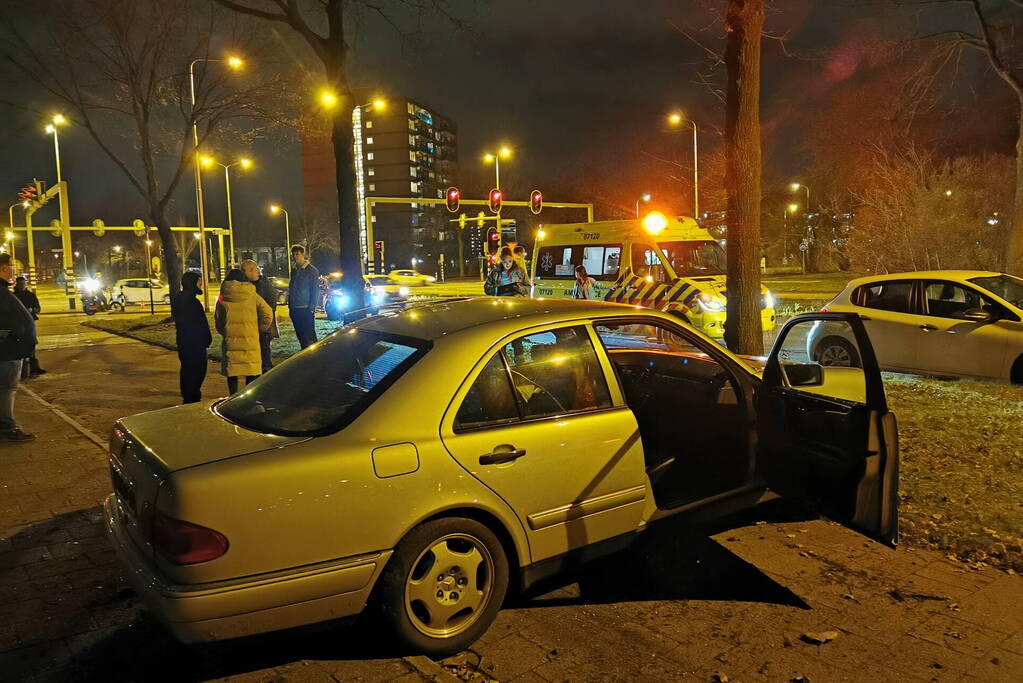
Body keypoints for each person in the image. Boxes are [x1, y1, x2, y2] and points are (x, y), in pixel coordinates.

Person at [216, 269, 272, 394]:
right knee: (251, 372)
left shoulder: (223, 296)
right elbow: (267, 313)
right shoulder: (252, 294)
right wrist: (260, 329)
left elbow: (218, 317)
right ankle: (247, 400)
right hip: (250, 341)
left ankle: (232, 397)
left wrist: (224, 331)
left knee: (232, 373)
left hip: (231, 341)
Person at [0, 254, 36, 441]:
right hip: (8, 350)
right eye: (11, 266)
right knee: (7, 388)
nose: (13, 270)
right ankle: (6, 427)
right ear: (4, 268)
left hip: (10, 348)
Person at [171, 272, 212, 404]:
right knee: (197, 370)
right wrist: (206, 338)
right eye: (198, 282)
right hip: (195, 343)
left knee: (187, 369)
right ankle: (192, 396)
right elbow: (200, 323)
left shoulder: (179, 299)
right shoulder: (192, 302)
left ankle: (188, 395)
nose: (200, 284)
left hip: (184, 341)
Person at [242, 259, 278, 374]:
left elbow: (270, 305)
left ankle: (266, 373)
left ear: (252, 270)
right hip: (254, 324)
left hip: (262, 325)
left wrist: (265, 322)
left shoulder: (262, 286)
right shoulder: (259, 284)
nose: (243, 274)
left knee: (264, 350)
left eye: (244, 271)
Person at [288, 245, 320, 349]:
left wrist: (311, 307)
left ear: (303, 254)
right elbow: (292, 288)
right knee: (300, 335)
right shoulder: (294, 271)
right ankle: (304, 353)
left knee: (309, 335)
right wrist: (290, 306)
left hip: (305, 308)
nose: (295, 256)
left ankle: (314, 355)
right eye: (293, 254)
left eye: (297, 254)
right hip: (294, 308)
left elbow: (315, 290)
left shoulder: (311, 271)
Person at [12, 277, 45, 377]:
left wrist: (33, 310)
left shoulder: (30, 295)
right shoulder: (13, 296)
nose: (22, 286)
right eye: (20, 284)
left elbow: (38, 308)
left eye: (24, 284)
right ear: (17, 284)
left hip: (30, 322)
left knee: (31, 343)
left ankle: (34, 368)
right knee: (20, 344)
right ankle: (21, 369)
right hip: (18, 324)